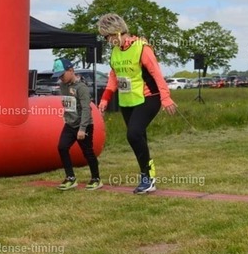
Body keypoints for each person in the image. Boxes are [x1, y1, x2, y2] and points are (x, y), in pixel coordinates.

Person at [96, 13, 177, 194]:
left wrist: (166, 97)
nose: (107, 41)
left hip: (149, 97)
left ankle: (147, 177)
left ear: (117, 32)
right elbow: (113, 77)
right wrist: (105, 99)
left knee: (133, 134)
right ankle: (147, 175)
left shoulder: (142, 47)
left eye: (107, 36)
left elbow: (156, 74)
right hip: (127, 100)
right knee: (139, 137)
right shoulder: (115, 52)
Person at [53, 58, 102, 190]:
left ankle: (96, 178)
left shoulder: (81, 88)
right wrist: (66, 117)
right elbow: (68, 103)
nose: (60, 78)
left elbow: (86, 109)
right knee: (62, 147)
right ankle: (70, 177)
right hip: (70, 124)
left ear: (71, 70)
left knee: (87, 152)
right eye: (58, 76)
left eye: (62, 75)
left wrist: (82, 128)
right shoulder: (63, 86)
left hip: (84, 124)